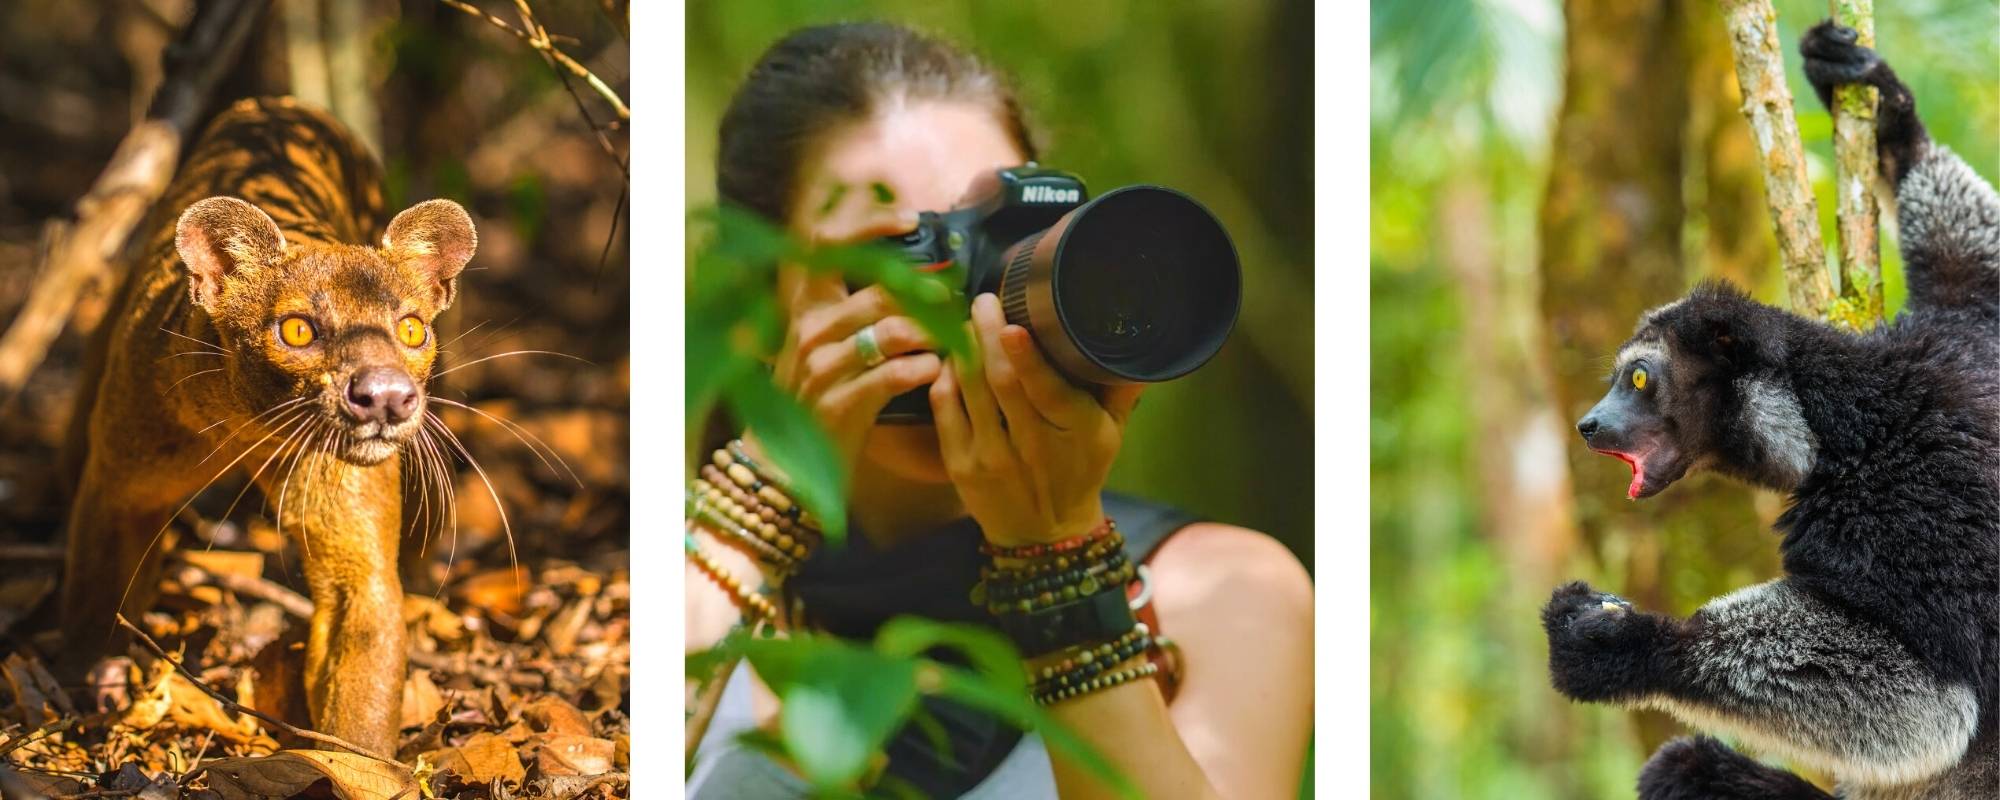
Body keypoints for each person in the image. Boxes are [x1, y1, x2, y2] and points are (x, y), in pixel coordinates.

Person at [685, 21, 1313, 799]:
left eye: (1000, 248)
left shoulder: (1220, 591)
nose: (966, 309)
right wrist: (766, 487)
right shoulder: (672, 574)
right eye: (898, 258)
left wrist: (1059, 554)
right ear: (754, 306)